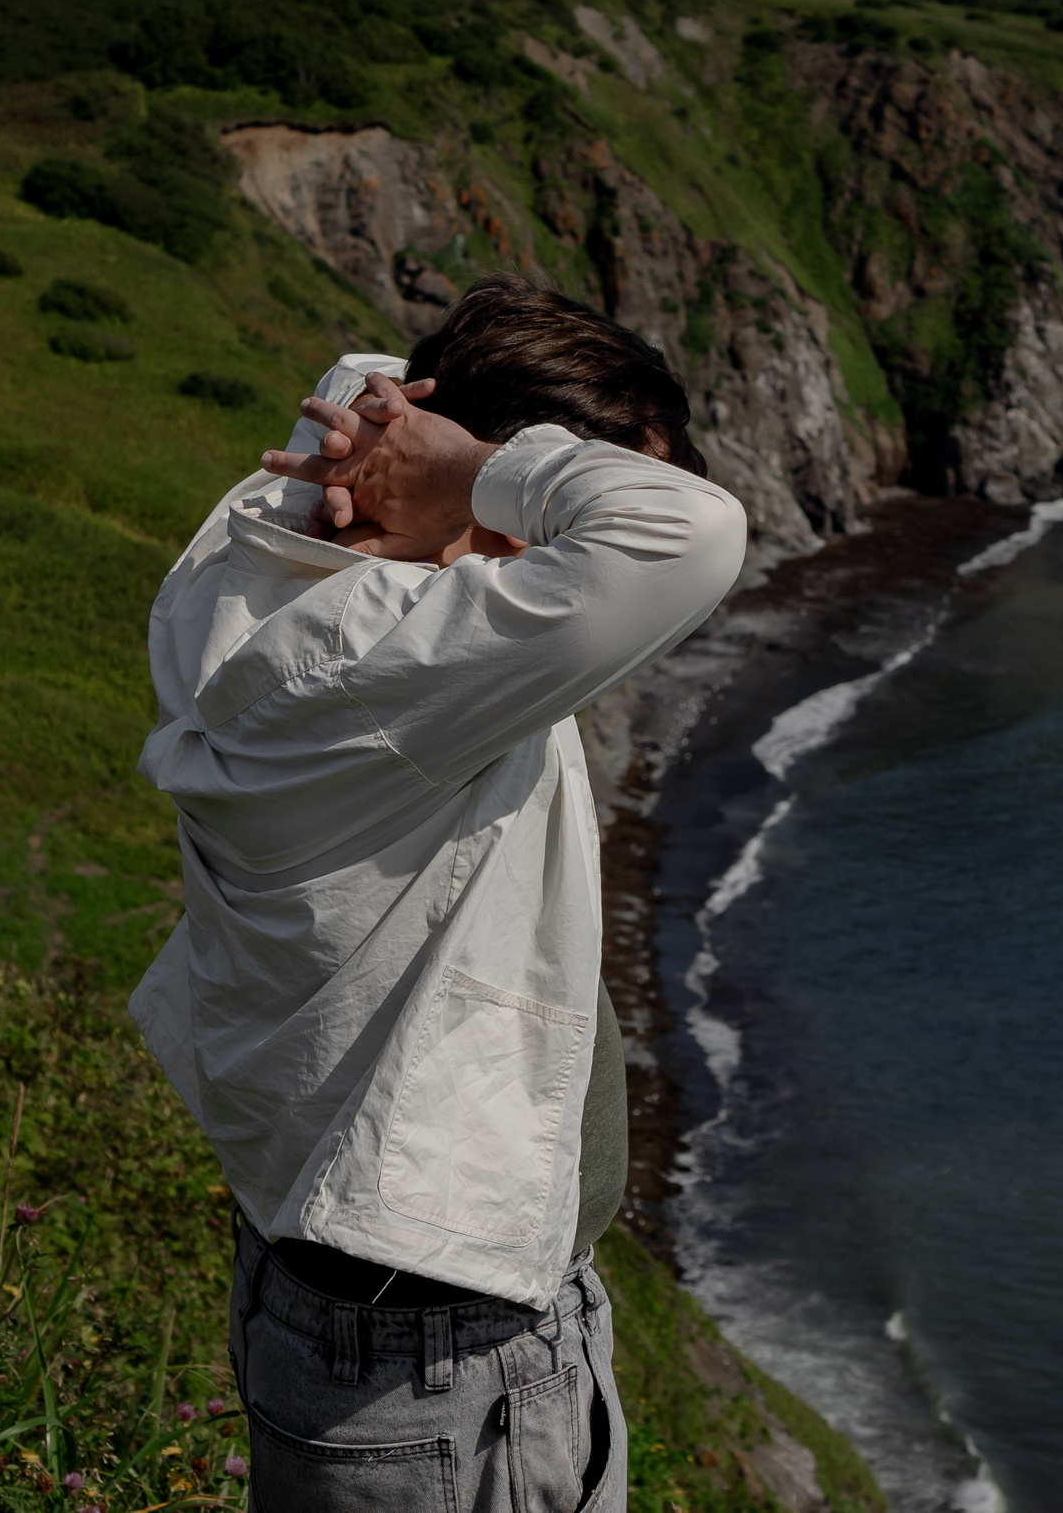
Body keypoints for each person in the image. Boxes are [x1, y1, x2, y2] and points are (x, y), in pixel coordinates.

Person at [130, 276, 747, 1512]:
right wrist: (479, 475)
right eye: (552, 496)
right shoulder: (391, 670)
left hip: (336, 1288)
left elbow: (376, 373)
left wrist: (432, 450)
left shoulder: (252, 564)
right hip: (447, 1356)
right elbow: (689, 534)